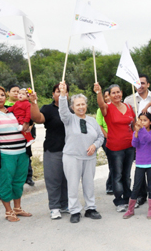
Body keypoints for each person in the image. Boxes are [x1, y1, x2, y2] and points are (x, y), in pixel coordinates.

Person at [0, 75, 32, 222]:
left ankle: (17, 208)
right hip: (4, 154)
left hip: (21, 153)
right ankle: (8, 211)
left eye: (2, 95)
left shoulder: (12, 110)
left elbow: (27, 117)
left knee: (18, 181)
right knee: (5, 182)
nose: (0, 97)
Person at [58, 82, 104, 223]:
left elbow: (100, 137)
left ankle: (90, 208)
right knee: (72, 185)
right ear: (73, 107)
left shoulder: (92, 121)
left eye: (83, 104)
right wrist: (62, 94)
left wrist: (94, 146)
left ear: (86, 105)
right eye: (77, 105)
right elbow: (63, 111)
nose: (81, 107)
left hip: (89, 157)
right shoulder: (69, 119)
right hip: (72, 157)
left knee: (89, 184)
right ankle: (75, 211)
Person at [94, 83, 135, 212]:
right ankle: (119, 201)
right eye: (113, 93)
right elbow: (101, 104)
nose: (116, 95)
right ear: (109, 95)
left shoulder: (128, 106)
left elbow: (133, 125)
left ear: (121, 93)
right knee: (117, 175)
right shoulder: (107, 108)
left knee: (127, 174)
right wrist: (98, 93)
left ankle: (128, 198)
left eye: (118, 92)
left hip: (129, 146)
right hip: (115, 148)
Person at [30, 84, 70, 220]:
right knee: (53, 180)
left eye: (64, 92)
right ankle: (54, 207)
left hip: (70, 151)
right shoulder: (48, 109)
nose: (61, 94)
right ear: (53, 94)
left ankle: (65, 204)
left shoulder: (72, 109)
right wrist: (33, 102)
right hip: (53, 150)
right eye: (58, 92)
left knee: (67, 180)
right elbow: (37, 118)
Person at [124, 112, 151, 219]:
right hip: (140, 163)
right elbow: (134, 144)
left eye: (145, 120)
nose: (142, 122)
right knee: (136, 186)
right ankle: (130, 209)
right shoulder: (137, 132)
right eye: (141, 120)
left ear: (150, 122)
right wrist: (136, 133)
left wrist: (141, 130)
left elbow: (149, 139)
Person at [5, 84, 35, 187]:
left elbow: (30, 115)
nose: (18, 94)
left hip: (23, 124)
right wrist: (7, 110)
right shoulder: (7, 104)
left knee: (26, 155)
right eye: (15, 91)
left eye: (21, 93)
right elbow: (11, 109)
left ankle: (28, 177)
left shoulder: (27, 104)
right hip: (12, 134)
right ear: (8, 92)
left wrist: (27, 122)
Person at [96, 88, 113, 195]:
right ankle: (110, 185)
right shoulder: (101, 110)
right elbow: (99, 125)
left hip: (118, 138)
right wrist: (108, 136)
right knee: (113, 161)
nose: (107, 98)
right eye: (105, 96)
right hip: (107, 139)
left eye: (108, 95)